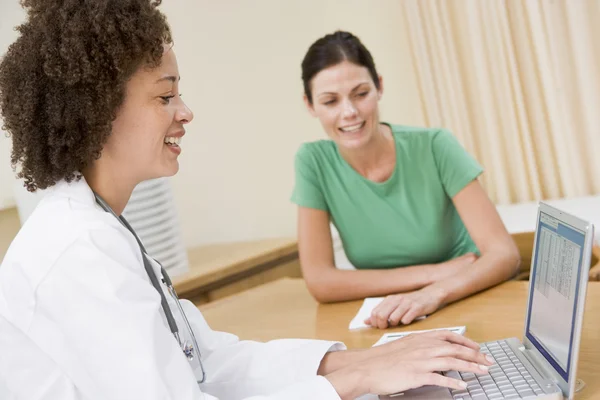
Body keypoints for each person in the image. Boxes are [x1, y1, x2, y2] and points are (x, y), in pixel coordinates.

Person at [0, 2, 493, 399]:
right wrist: (357, 381)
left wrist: (364, 361)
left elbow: (209, 362)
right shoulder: (78, 254)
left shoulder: (100, 229)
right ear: (98, 111)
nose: (186, 112)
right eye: (165, 96)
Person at [292, 31, 521, 329]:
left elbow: (504, 254)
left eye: (361, 94)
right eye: (330, 101)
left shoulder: (435, 145)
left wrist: (434, 292)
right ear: (310, 105)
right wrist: (431, 274)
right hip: (393, 315)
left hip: (465, 297)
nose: (349, 112)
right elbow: (320, 281)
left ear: (379, 87)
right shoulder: (313, 162)